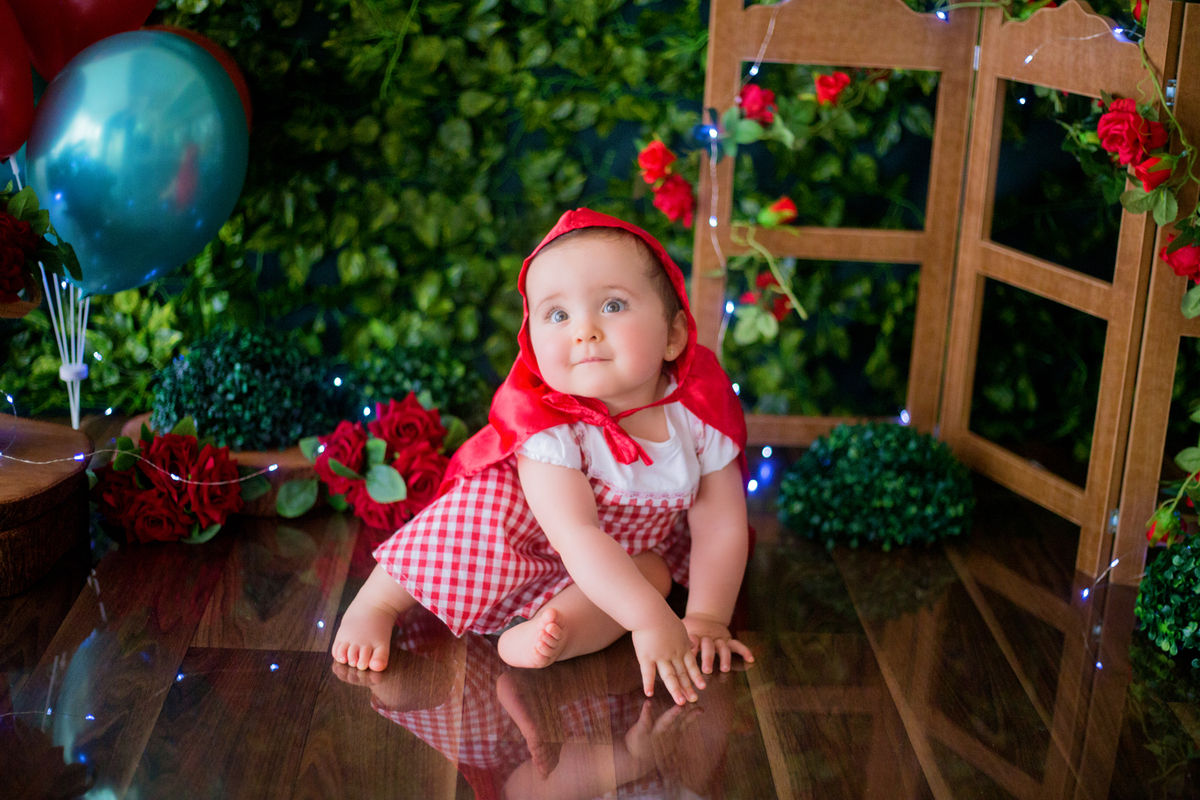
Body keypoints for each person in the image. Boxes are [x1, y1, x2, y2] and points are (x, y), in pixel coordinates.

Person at [332, 208, 754, 705]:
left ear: (675, 335)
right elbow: (576, 534)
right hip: (521, 537)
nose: (585, 331)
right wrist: (650, 620)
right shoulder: (549, 425)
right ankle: (377, 604)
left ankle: (545, 634)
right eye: (558, 315)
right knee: (468, 519)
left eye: (613, 305)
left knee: (654, 576)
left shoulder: (697, 415)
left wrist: (705, 617)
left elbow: (721, 525)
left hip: (607, 566)